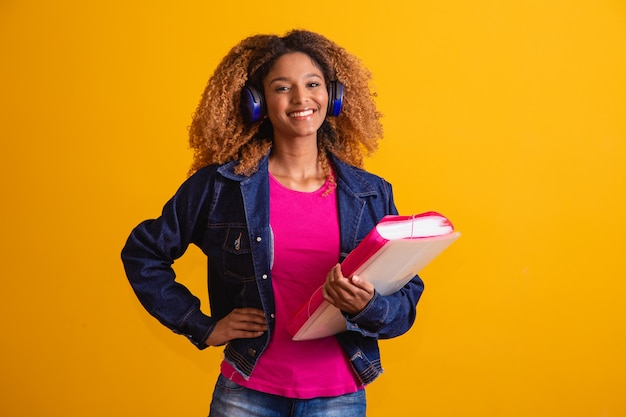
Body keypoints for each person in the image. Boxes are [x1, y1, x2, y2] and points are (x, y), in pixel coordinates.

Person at [121, 29, 424, 417]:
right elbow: (144, 253)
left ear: (333, 96)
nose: (301, 98)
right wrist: (202, 325)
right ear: (257, 102)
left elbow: (405, 302)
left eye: (312, 84)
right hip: (247, 394)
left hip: (339, 397)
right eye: (282, 88)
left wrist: (368, 307)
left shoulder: (369, 193)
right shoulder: (221, 187)